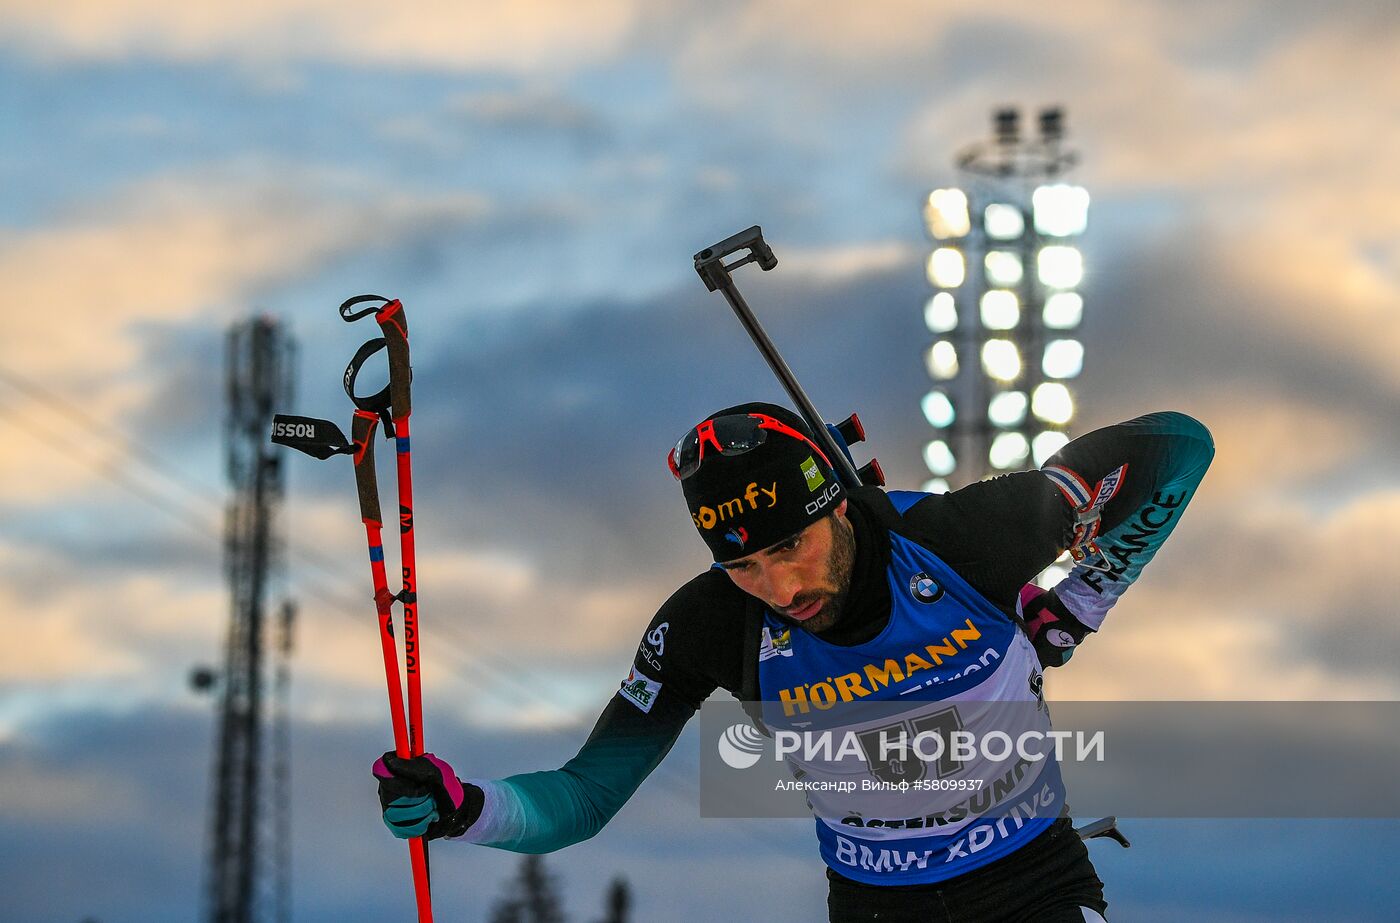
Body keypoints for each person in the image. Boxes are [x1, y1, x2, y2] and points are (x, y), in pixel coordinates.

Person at [374, 402, 1214, 922]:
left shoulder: (959, 539)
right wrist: (464, 808)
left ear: (836, 504)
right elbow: (585, 796)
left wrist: (1081, 599)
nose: (779, 586)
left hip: (1030, 888)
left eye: (791, 545)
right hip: (875, 911)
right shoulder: (710, 621)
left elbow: (1179, 447)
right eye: (743, 564)